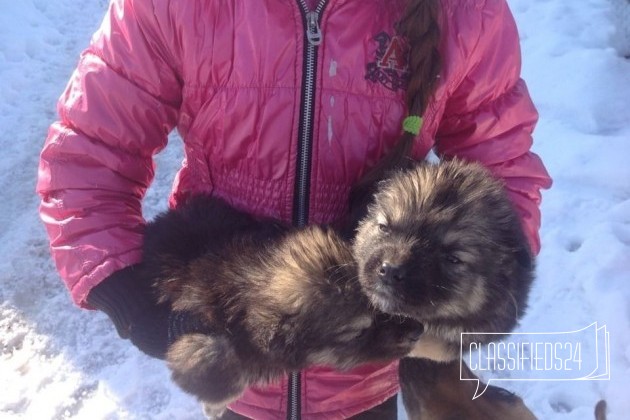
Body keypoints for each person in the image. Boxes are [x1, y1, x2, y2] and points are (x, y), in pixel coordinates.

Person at [36, 0, 552, 418]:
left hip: (370, 363)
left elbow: (504, 167)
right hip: (237, 350)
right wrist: (126, 292)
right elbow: (88, 154)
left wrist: (465, 297)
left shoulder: (466, 12)